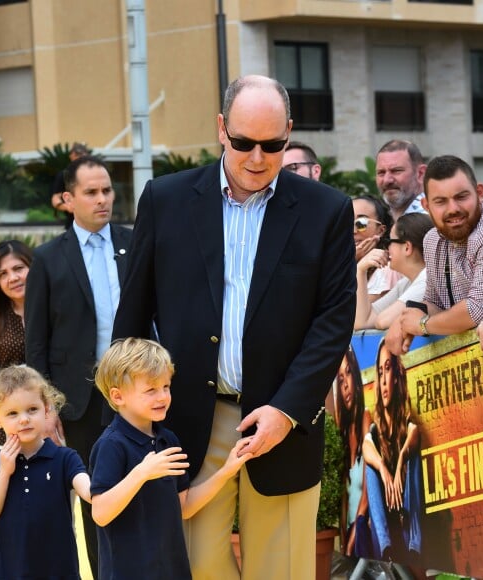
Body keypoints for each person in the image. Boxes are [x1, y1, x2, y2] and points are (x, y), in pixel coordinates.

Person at [112, 74, 356, 580]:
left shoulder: (325, 211)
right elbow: (132, 319)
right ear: (222, 129)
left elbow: (333, 322)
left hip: (284, 422)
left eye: (273, 145)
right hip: (189, 421)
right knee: (198, 568)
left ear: (288, 133)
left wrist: (287, 410)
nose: (258, 158)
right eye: (244, 142)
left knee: (282, 571)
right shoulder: (165, 200)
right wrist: (130, 417)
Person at [25, 154, 132, 577]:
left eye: (107, 190)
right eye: (91, 192)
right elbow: (37, 343)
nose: (102, 199)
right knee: (95, 500)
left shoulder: (135, 242)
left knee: (143, 489)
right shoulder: (48, 259)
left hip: (137, 393)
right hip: (79, 402)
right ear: (68, 199)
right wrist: (45, 410)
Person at [90, 337, 253, 579]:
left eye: (166, 387)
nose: (162, 397)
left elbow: (184, 507)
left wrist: (226, 471)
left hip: (171, 570)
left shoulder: (168, 440)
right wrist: (141, 473)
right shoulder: (111, 445)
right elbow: (101, 513)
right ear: (117, 396)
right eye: (151, 390)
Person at [0, 365, 91, 580]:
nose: (24, 419)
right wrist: (4, 471)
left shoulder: (65, 458)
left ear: (47, 408)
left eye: (32, 409)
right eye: (12, 413)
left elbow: (91, 492)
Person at [387, 155, 483, 355]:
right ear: (426, 206)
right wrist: (405, 319)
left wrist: (422, 324)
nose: (453, 209)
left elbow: (478, 310)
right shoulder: (432, 240)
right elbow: (435, 302)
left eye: (461, 197)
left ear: (479, 193)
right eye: (441, 201)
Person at [0, 240, 63, 449]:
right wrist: (19, 377)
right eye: (3, 274)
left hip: (57, 421)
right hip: (11, 433)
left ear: (33, 267)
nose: (12, 278)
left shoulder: (57, 311)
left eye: (18, 268)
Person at [362, 339, 422, 562]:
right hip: (387, 527)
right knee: (371, 465)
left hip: (407, 522)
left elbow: (415, 434)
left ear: (397, 376)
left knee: (412, 456)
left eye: (388, 369)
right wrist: (384, 470)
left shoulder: (407, 423)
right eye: (380, 371)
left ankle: (414, 544)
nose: (384, 380)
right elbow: (366, 446)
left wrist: (398, 465)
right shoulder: (376, 431)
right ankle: (385, 548)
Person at [355, 213, 433, 330]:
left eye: (388, 242)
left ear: (407, 247)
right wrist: (360, 270)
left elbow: (382, 321)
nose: (386, 248)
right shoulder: (405, 283)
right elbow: (362, 323)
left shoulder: (428, 278)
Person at [334, 347, 371, 558]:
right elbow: (345, 499)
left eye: (348, 373)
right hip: (349, 534)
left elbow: (367, 494)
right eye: (340, 379)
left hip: (363, 534)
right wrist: (343, 538)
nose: (346, 384)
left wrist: (351, 541)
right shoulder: (343, 431)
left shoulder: (366, 420)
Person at [353, 195, 400, 302]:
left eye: (361, 223)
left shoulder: (387, 267)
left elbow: (357, 315)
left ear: (381, 230)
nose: (353, 230)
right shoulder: (335, 259)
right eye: (345, 221)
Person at [375, 140, 428, 222]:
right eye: (381, 172)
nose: (387, 180)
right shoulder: (379, 219)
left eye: (396, 171)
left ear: (420, 174)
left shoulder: (431, 221)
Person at [51, 141, 90, 230]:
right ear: (71, 156)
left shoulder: (93, 174)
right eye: (77, 154)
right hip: (73, 224)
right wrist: (67, 207)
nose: (80, 158)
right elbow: (55, 199)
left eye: (82, 155)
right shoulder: (64, 175)